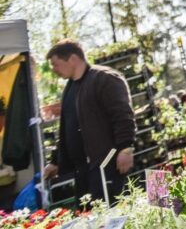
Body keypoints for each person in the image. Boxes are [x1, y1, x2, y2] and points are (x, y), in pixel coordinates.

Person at [42, 40, 135, 205]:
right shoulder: (70, 88)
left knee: (116, 215)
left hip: (107, 165)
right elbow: (67, 128)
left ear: (72, 59)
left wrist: (125, 148)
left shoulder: (104, 78)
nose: (54, 70)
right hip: (83, 172)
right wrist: (56, 161)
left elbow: (123, 115)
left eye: (55, 64)